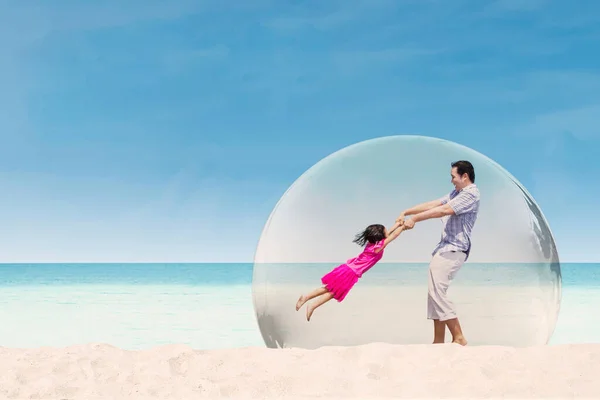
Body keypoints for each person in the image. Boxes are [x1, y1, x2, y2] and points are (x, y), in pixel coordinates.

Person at [397, 160, 480, 346]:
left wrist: (415, 219)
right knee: (434, 293)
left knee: (437, 292)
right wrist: (407, 211)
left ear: (464, 176)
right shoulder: (457, 193)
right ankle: (438, 341)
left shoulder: (471, 194)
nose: (451, 180)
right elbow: (435, 203)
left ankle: (458, 337)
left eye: (453, 176)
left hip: (454, 248)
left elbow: (444, 210)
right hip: (445, 247)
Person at [296, 221, 406, 321]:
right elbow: (393, 236)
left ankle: (306, 297)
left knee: (329, 288)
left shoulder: (373, 244)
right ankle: (312, 305)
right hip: (351, 273)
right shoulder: (378, 247)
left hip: (347, 268)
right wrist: (403, 227)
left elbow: (390, 233)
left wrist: (398, 224)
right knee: (333, 292)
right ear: (380, 236)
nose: (387, 231)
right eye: (385, 230)